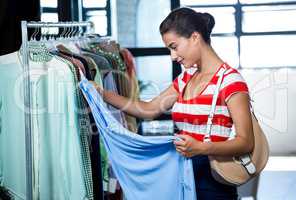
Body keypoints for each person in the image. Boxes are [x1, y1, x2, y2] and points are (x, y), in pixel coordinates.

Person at [91, 7, 254, 200]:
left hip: (213, 185)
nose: (173, 56)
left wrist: (202, 147)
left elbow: (246, 142)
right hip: (182, 177)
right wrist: (102, 93)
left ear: (195, 37)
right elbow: (148, 109)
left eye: (174, 46)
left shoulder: (230, 81)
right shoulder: (186, 78)